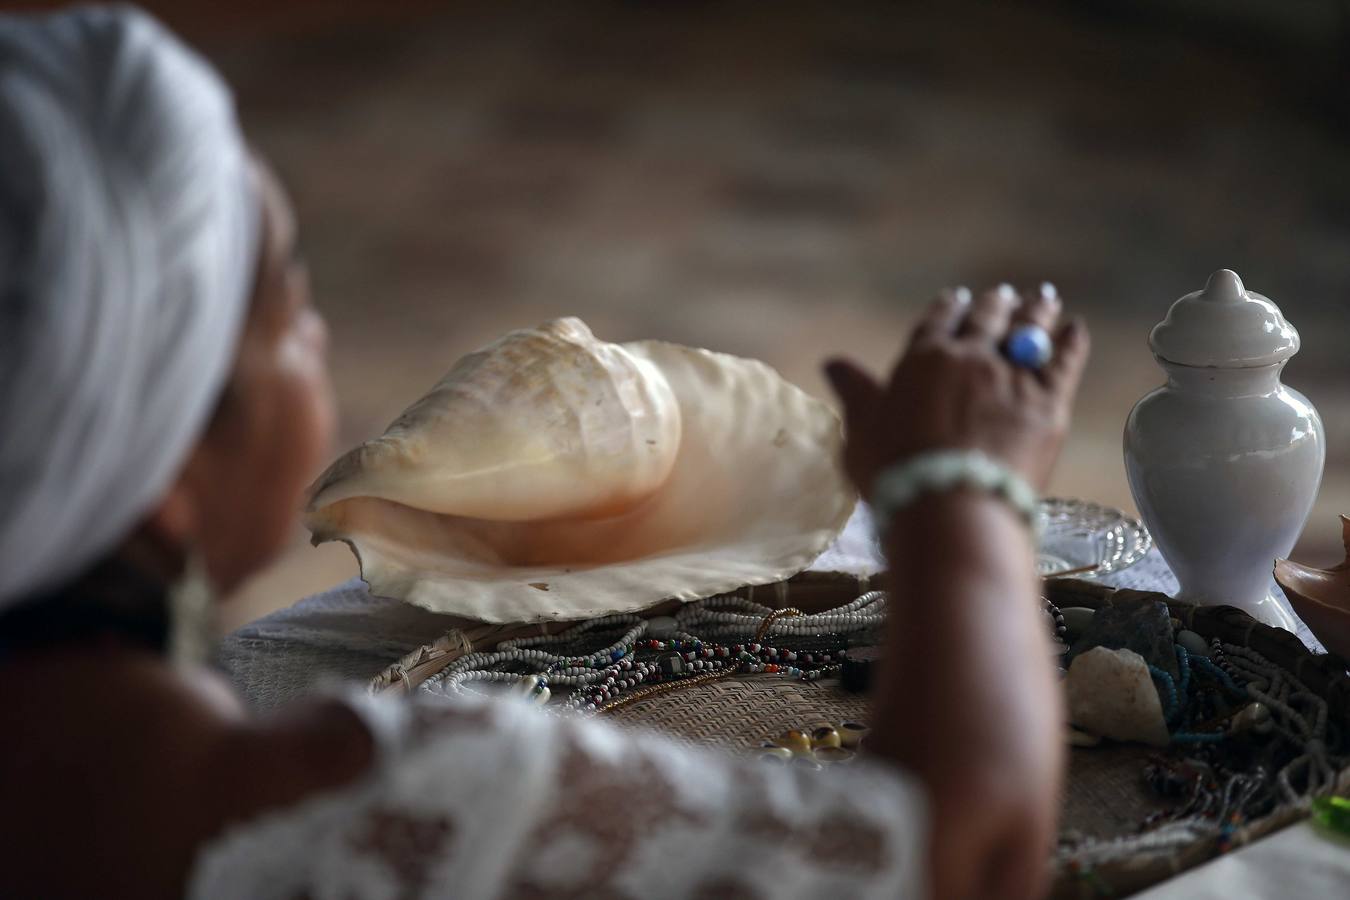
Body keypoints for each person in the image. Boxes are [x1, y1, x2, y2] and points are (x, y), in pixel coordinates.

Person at [0, 6, 1088, 898]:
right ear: (164, 480)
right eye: (291, 306)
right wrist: (965, 491)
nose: (320, 339)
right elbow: (959, 857)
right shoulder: (371, 799)